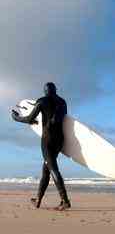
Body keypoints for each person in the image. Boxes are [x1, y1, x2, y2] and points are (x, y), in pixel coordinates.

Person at [11, 82, 71, 210]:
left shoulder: (42, 101)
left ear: (45, 91)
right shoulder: (63, 102)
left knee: (53, 168)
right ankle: (38, 200)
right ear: (56, 90)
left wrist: (16, 118)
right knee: (46, 170)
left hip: (47, 140)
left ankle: (65, 200)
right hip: (60, 140)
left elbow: (28, 119)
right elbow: (63, 118)